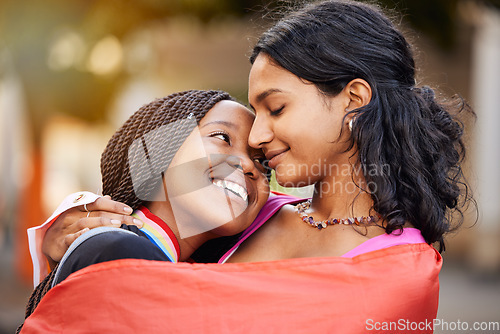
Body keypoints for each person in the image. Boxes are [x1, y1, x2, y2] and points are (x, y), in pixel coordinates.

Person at [22, 1, 474, 332]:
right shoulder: (251, 212)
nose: (257, 138)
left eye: (275, 108)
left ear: (353, 101)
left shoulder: (399, 271)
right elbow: (153, 237)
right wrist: (75, 233)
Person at [18, 89, 269, 326]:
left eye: (261, 161)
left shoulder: (140, 253)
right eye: (222, 137)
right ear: (158, 152)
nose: (248, 165)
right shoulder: (119, 251)